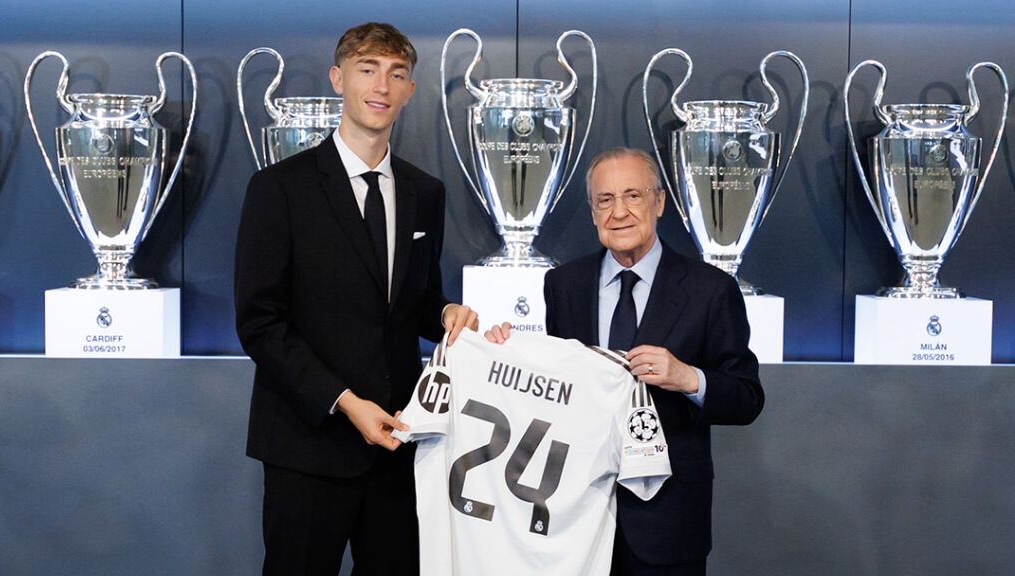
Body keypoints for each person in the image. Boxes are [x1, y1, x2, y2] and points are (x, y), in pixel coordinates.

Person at [235, 22, 478, 575]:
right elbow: (260, 324)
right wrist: (345, 402)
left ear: (410, 91)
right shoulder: (279, 189)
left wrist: (445, 314)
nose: (382, 86)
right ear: (338, 78)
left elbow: (413, 301)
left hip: (397, 445)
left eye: (397, 74)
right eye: (368, 69)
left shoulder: (425, 193)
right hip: (308, 446)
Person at [485, 147, 763, 575]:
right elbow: (556, 385)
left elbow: (747, 397)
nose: (619, 212)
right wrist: (504, 355)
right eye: (605, 200)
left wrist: (689, 378)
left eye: (633, 196)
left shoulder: (711, 290)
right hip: (572, 518)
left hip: (667, 525)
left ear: (659, 202)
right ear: (593, 213)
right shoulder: (563, 284)